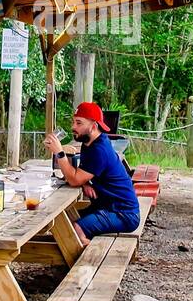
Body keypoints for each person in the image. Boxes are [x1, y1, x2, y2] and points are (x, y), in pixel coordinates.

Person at [44, 102, 139, 242]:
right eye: (73, 122)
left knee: (76, 229)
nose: (73, 127)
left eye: (78, 123)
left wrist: (59, 153)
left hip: (123, 213)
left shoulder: (99, 150)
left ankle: (91, 260)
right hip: (107, 206)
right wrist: (85, 182)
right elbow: (80, 175)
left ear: (93, 126)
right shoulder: (90, 142)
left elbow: (74, 179)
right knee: (67, 222)